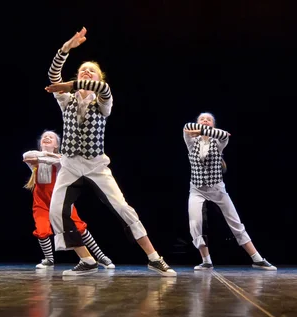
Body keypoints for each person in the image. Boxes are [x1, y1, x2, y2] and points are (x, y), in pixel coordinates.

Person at [44, 27, 175, 276]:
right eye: (83, 68)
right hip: (70, 163)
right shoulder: (67, 100)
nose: (86, 71)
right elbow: (53, 77)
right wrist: (65, 49)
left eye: (91, 70)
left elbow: (101, 88)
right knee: (56, 212)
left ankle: (154, 257)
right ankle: (87, 260)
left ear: (99, 76)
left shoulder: (103, 100)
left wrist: (70, 83)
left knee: (123, 208)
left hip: (96, 165)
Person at [183, 112, 276, 271]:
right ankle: (206, 261)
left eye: (209, 120)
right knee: (195, 224)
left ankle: (257, 258)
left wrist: (214, 132)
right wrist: (208, 131)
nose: (205, 121)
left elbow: (224, 136)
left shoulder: (218, 141)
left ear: (214, 124)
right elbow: (187, 127)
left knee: (235, 222)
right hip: (197, 189)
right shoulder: (191, 141)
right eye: (202, 119)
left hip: (217, 188)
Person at [23, 130, 115, 270]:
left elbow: (62, 160)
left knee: (79, 228)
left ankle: (101, 256)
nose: (47, 137)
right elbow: (26, 155)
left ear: (56, 145)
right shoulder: (34, 159)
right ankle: (49, 259)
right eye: (44, 137)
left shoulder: (62, 161)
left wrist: (50, 157)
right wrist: (47, 155)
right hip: (41, 202)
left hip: (61, 200)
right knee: (42, 230)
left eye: (51, 137)